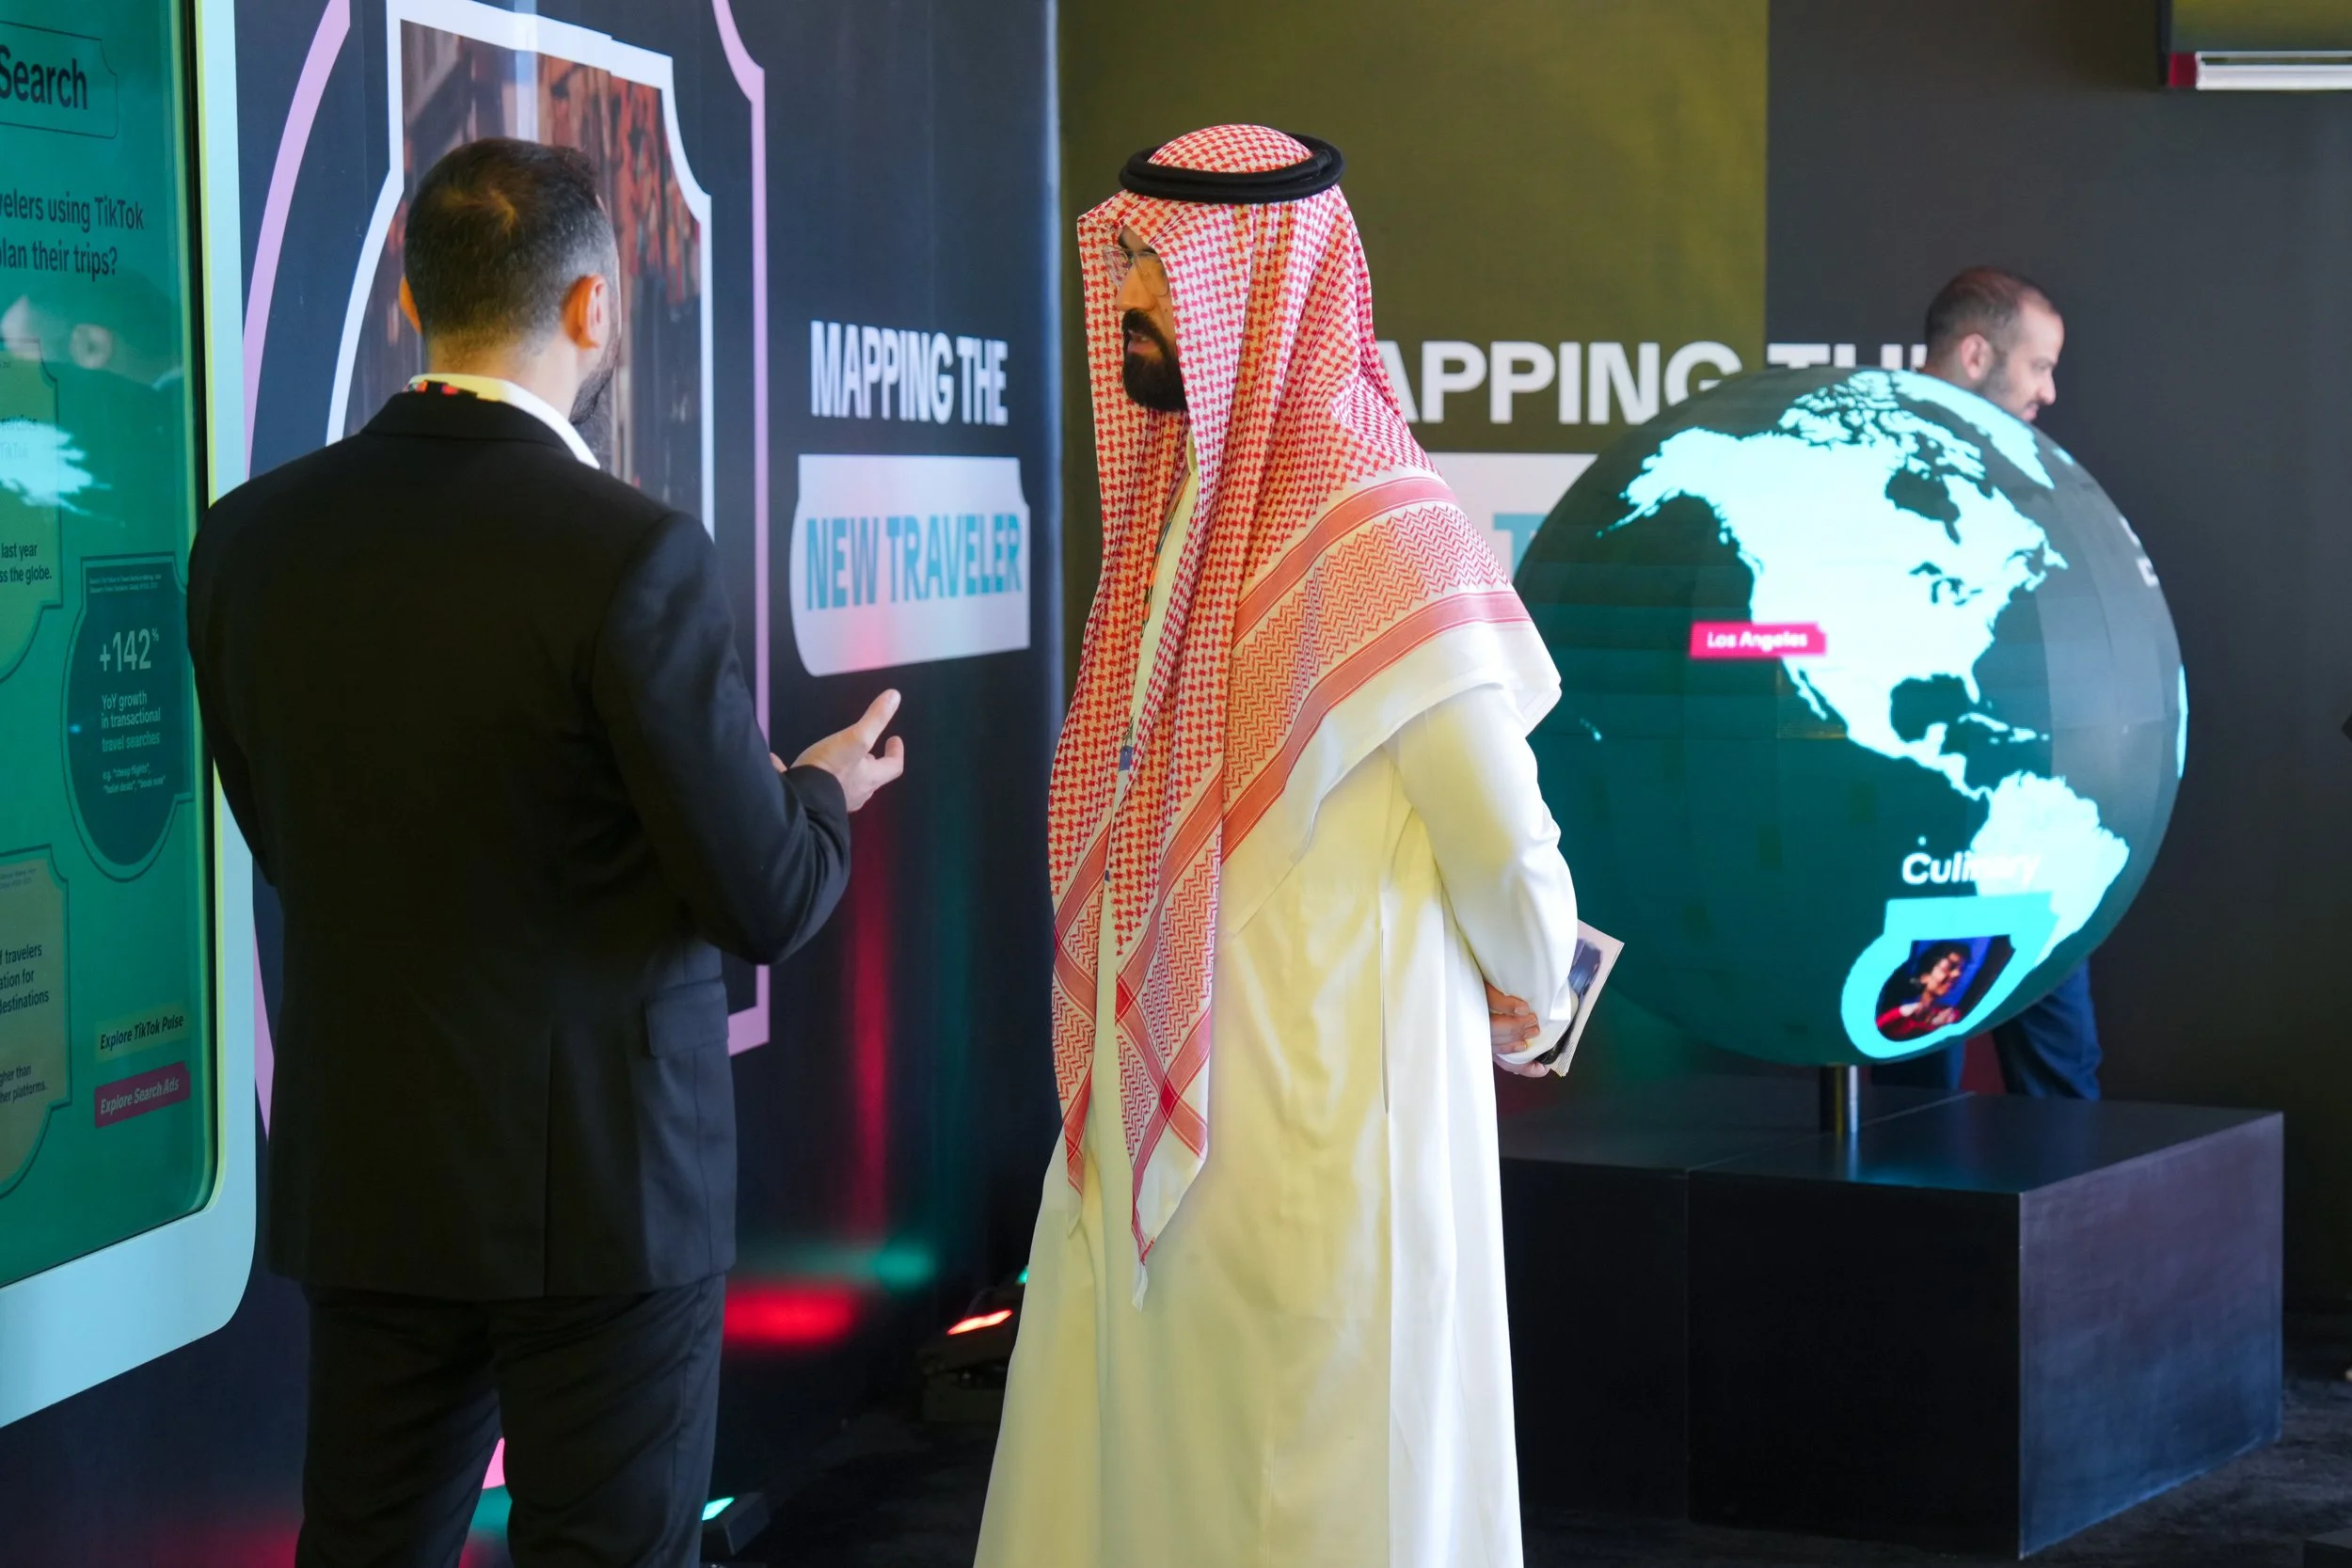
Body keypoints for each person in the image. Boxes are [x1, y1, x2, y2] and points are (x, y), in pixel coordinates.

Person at [187, 138, 905, 1568]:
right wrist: (819, 793)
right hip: (604, 1201)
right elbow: (765, 894)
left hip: (374, 1177)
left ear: (411, 298)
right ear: (595, 309)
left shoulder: (247, 541)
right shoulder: (632, 553)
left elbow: (290, 838)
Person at [976, 126, 1581, 1568]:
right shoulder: (1186, 508)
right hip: (1214, 1117)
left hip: (1308, 1126)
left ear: (1260, 283)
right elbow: (1510, 875)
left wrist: (1540, 963)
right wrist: (1540, 979)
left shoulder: (1378, 527)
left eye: (1162, 266)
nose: (1131, 293)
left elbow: (1499, 841)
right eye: (1130, 257)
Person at [1878, 265, 2102, 1100]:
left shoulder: (2033, 470)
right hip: (1923, 829)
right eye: (2038, 365)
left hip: (2035, 827)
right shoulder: (1869, 459)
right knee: (1914, 1094)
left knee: (2063, 1079)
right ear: (1977, 354)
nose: (2049, 391)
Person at [1875, 942, 1970, 1042]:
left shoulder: (1950, 1015)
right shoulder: (1894, 1007)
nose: (1957, 974)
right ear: (1924, 977)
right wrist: (1901, 1012)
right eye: (1951, 967)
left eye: (1961, 970)